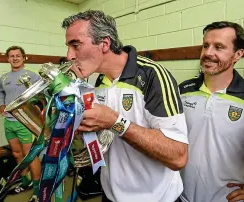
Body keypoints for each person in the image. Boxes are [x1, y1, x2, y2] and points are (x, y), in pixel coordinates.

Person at [61, 10, 188, 202]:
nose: (69, 55)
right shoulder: (99, 80)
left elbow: (177, 155)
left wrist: (114, 121)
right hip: (110, 195)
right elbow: (103, 139)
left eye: (75, 45)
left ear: (104, 44)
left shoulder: (152, 76)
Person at [179, 21, 244, 202]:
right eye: (206, 45)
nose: (208, 53)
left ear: (238, 55)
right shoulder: (182, 91)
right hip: (183, 197)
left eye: (219, 47)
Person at [0, 46, 42, 202]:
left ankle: (38, 189)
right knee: (17, 154)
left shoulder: (32, 75)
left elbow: (42, 93)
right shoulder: (3, 78)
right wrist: (0, 104)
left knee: (31, 156)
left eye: (18, 55)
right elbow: (0, 92)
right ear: (8, 58)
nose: (15, 58)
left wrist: (38, 106)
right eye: (11, 56)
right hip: (9, 122)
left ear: (24, 57)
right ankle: (25, 182)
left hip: (25, 123)